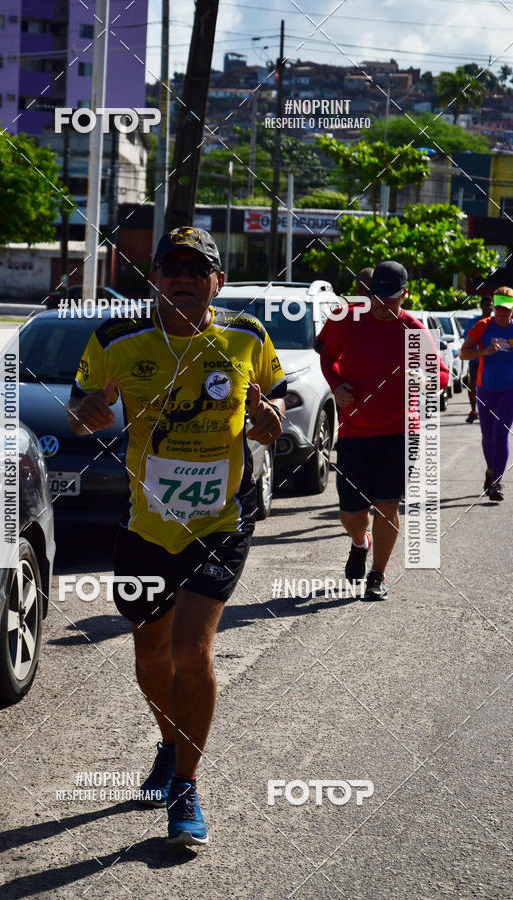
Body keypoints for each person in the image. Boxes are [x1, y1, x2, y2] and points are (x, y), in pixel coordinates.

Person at [66, 225, 286, 846]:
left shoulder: (246, 337)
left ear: (217, 281)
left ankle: (186, 786)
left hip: (220, 518)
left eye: (199, 268)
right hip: (145, 526)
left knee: (193, 649)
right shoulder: (116, 339)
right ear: (155, 277)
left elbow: (277, 400)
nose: (184, 277)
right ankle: (169, 741)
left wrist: (272, 421)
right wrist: (84, 415)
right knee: (151, 652)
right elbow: (82, 402)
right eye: (173, 267)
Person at [316, 260, 449, 600]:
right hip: (355, 431)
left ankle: (378, 575)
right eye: (377, 298)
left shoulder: (413, 330)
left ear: (404, 295)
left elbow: (444, 376)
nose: (383, 306)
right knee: (351, 513)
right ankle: (360, 543)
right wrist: (336, 384)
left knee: (387, 504)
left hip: (401, 431)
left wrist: (426, 380)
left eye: (391, 299)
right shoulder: (346, 318)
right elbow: (327, 354)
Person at [460, 287, 513, 501]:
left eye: (506, 310)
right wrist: (483, 351)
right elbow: (464, 353)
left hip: (509, 390)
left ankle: (497, 482)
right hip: (485, 388)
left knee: (501, 434)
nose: (501, 313)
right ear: (494, 309)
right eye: (499, 309)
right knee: (488, 436)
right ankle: (491, 471)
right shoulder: (482, 327)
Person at [463, 295, 494, 423]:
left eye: (490, 305)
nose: (488, 307)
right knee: (473, 385)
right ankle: (473, 410)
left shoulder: (495, 322)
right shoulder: (474, 322)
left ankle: (489, 410)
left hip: (491, 361)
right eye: (486, 304)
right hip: (476, 359)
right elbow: (467, 337)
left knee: (489, 386)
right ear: (481, 306)